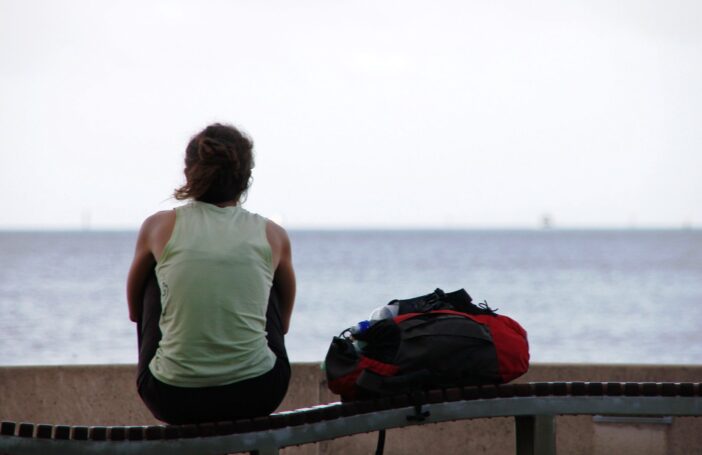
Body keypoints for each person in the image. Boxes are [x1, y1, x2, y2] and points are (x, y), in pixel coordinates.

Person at [126, 123, 295, 424]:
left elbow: (135, 312)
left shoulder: (157, 227)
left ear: (190, 173)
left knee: (155, 273)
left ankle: (178, 362)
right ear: (245, 178)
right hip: (258, 393)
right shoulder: (273, 234)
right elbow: (282, 325)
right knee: (267, 275)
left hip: (171, 397)